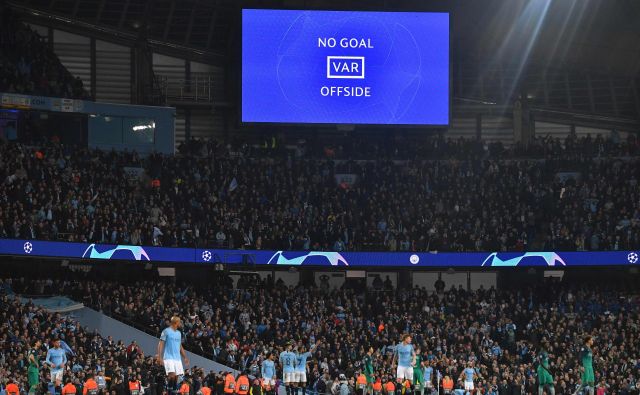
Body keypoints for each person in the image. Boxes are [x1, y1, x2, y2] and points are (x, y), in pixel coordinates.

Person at [157, 316, 190, 394]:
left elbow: (180, 346)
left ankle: (173, 391)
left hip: (177, 358)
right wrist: (159, 356)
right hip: (168, 357)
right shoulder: (166, 331)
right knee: (172, 375)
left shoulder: (179, 333)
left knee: (176, 377)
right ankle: (168, 391)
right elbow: (161, 344)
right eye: (179, 322)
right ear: (176, 322)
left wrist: (185, 357)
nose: (180, 323)